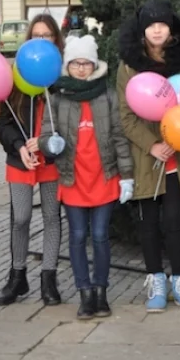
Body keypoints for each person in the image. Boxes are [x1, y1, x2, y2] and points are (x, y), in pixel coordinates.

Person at [117, 0, 180, 313]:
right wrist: (152, 144)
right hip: (147, 158)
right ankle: (156, 278)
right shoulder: (128, 66)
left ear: (171, 29)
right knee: (148, 223)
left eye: (163, 23)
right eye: (151, 24)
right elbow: (126, 117)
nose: (157, 29)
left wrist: (179, 137)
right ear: (142, 31)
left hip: (179, 158)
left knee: (173, 221)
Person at [40, 35, 134, 320]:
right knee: (78, 236)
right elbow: (46, 134)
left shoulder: (107, 96)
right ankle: (85, 293)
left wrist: (126, 175)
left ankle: (101, 291)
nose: (81, 68)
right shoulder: (57, 98)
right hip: (72, 179)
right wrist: (48, 145)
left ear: (94, 65)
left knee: (100, 235)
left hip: (104, 176)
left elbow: (119, 136)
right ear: (68, 66)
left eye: (86, 63)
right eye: (76, 63)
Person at [0, 14, 65, 306]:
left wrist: (47, 143)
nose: (41, 40)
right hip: (20, 159)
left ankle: (49, 277)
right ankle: (17, 277)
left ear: (56, 40)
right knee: (20, 218)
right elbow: (1, 120)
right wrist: (19, 145)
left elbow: (69, 124)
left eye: (47, 35)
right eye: (35, 35)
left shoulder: (62, 77)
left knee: (51, 218)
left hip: (52, 160)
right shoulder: (15, 75)